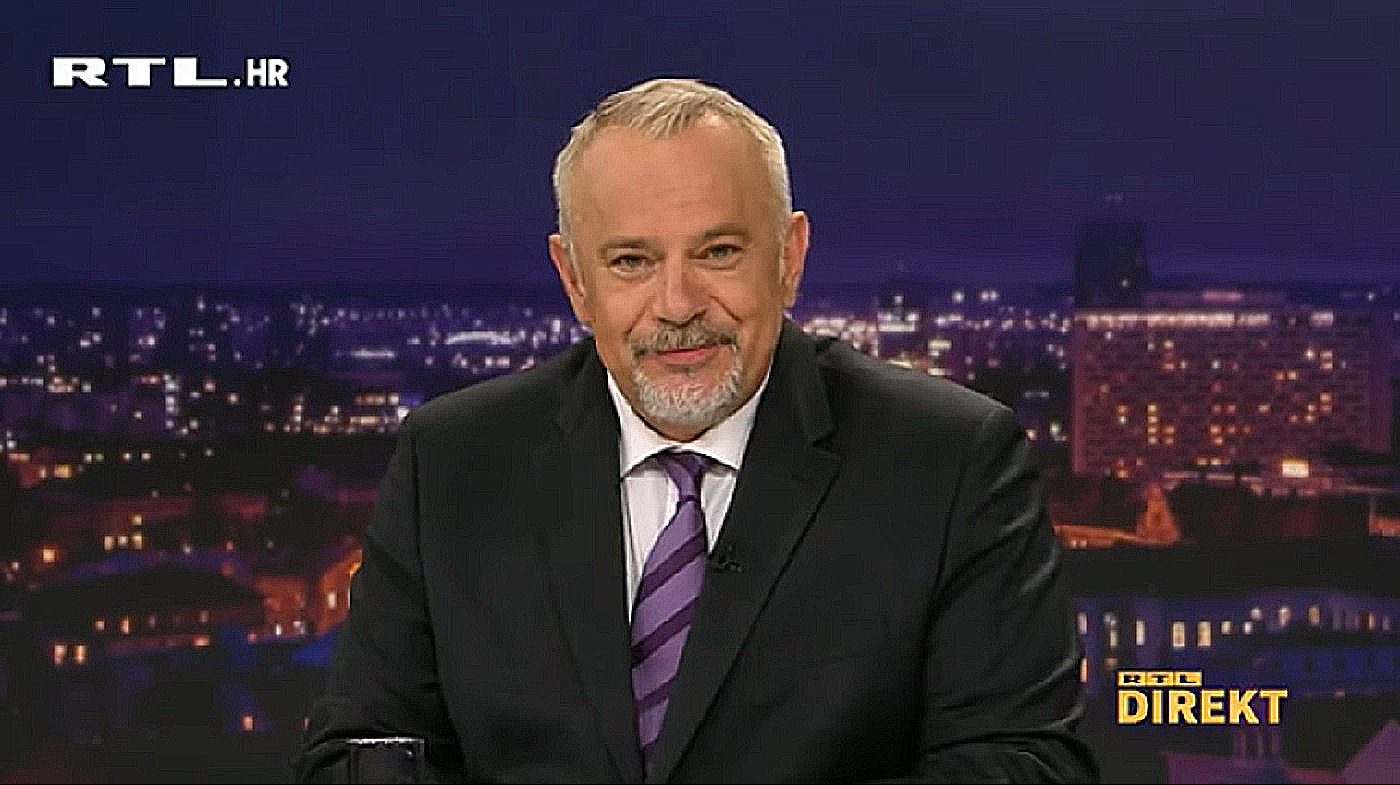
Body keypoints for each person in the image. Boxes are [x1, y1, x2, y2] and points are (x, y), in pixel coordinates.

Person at [295, 78, 1097, 783]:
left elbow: (1025, 763)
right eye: (631, 262)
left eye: (717, 251)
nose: (677, 304)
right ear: (574, 279)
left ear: (789, 257)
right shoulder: (452, 464)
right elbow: (356, 755)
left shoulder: (950, 461)